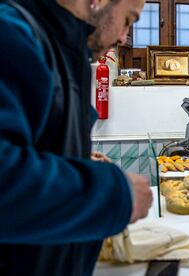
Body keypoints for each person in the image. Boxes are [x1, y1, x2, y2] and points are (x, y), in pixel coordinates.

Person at [0, 0, 151, 275]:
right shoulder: (10, 32)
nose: (123, 37)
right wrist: (117, 194)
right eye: (128, 20)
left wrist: (78, 160)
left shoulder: (64, 47)